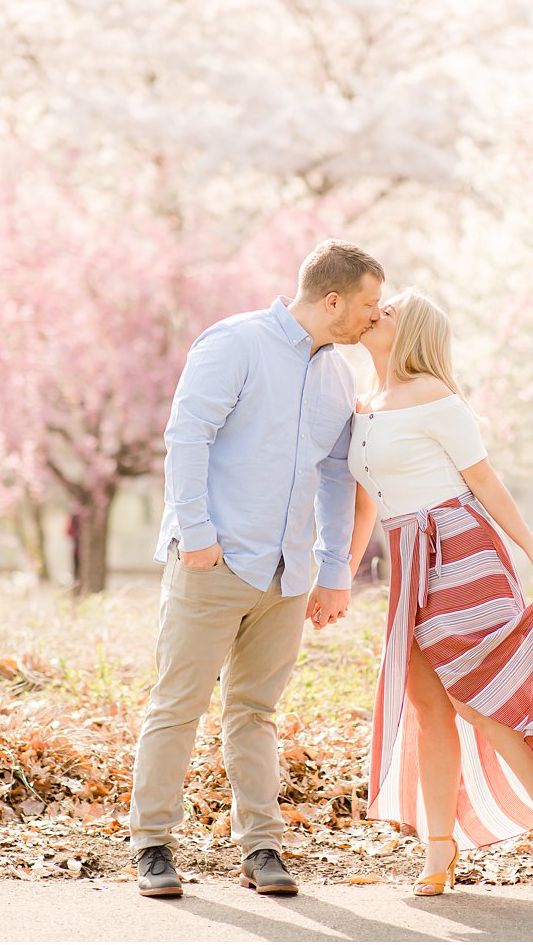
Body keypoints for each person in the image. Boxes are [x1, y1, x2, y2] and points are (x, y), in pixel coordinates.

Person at [129, 239, 385, 899]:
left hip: (286, 575)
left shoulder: (337, 375)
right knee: (178, 704)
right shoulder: (233, 342)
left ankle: (261, 847)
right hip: (213, 560)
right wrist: (197, 533)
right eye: (366, 304)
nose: (373, 318)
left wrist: (332, 569)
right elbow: (188, 436)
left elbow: (335, 476)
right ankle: (153, 843)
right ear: (332, 300)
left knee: (255, 712)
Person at [347, 289, 533, 897]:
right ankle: (438, 851)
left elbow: (482, 478)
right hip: (407, 559)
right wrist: (342, 573)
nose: (377, 312)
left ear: (413, 333)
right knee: (428, 706)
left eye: (390, 310)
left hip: (458, 550)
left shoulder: (434, 396)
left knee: (475, 696)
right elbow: (366, 502)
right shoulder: (363, 404)